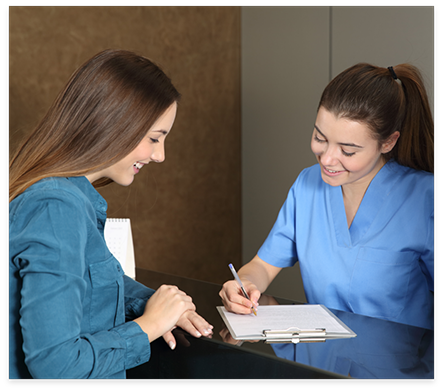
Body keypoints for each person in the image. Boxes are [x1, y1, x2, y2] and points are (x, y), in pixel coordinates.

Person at [9, 49, 213, 379]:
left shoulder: (65, 198)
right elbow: (56, 365)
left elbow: (90, 281)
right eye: (154, 139)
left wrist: (158, 303)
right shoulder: (56, 208)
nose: (160, 156)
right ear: (113, 124)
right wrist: (149, 326)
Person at [220, 63, 434, 330]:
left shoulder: (424, 198)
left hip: (401, 367)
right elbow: (262, 266)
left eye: (348, 150)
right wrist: (243, 286)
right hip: (323, 361)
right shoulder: (307, 186)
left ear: (388, 142)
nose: (328, 159)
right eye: (320, 138)